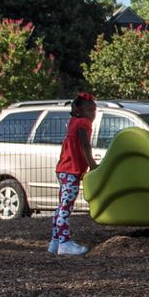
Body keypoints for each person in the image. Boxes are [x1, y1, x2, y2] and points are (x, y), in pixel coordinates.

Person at [49, 93, 96, 256]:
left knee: (61, 206)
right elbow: (85, 146)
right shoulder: (83, 123)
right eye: (90, 110)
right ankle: (64, 243)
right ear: (80, 111)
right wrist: (92, 165)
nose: (93, 114)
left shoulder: (73, 121)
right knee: (66, 208)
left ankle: (55, 241)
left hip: (63, 169)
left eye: (94, 110)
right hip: (72, 170)